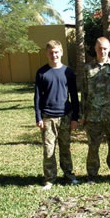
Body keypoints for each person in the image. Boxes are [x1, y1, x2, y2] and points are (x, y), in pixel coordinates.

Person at [34, 40, 79, 190]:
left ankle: (69, 176)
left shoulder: (69, 72)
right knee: (49, 150)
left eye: (56, 52)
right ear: (47, 53)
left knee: (65, 148)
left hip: (65, 115)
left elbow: (74, 96)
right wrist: (38, 117)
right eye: (51, 52)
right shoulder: (41, 72)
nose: (54, 55)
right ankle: (50, 179)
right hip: (48, 117)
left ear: (61, 52)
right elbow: (37, 97)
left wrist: (75, 117)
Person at [80, 37, 110, 183]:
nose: (102, 51)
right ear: (95, 49)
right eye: (100, 48)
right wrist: (83, 115)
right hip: (93, 116)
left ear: (109, 49)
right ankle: (92, 175)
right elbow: (84, 93)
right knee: (93, 147)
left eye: (105, 48)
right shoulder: (88, 69)